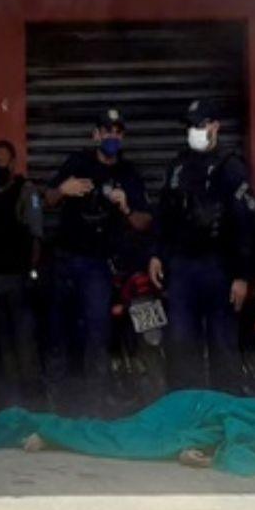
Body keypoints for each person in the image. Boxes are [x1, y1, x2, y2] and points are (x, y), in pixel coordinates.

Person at [44, 108, 152, 411]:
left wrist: (126, 207)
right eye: (107, 131)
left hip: (99, 266)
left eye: (118, 132)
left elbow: (145, 222)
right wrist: (62, 190)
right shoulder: (77, 162)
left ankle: (94, 408)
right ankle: (55, 408)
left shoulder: (128, 174)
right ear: (96, 135)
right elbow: (46, 199)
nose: (112, 137)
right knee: (57, 335)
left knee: (97, 337)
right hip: (65, 261)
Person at [150, 100, 255, 393]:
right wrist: (157, 255)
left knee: (223, 345)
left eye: (200, 124)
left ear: (215, 126)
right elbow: (163, 215)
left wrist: (241, 275)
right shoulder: (178, 166)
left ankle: (225, 415)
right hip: (182, 267)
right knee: (181, 344)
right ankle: (186, 416)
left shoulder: (231, 167)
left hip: (218, 266)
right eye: (190, 126)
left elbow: (244, 224)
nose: (195, 131)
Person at [0, 139, 44, 411]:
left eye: (3, 158)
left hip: (19, 281)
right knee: (5, 347)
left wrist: (32, 273)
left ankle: (34, 403)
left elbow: (36, 235)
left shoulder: (26, 191)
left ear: (13, 163)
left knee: (25, 344)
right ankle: (12, 404)